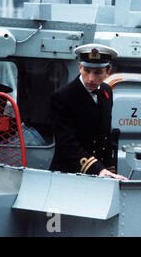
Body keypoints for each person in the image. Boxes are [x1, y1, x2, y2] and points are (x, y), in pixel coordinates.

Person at [49, 44, 127, 180]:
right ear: (80, 67)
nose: (91, 78)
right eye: (87, 71)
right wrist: (98, 169)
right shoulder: (62, 97)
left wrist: (109, 170)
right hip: (68, 174)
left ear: (108, 71)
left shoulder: (106, 92)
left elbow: (105, 136)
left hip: (99, 174)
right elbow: (67, 143)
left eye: (97, 72)